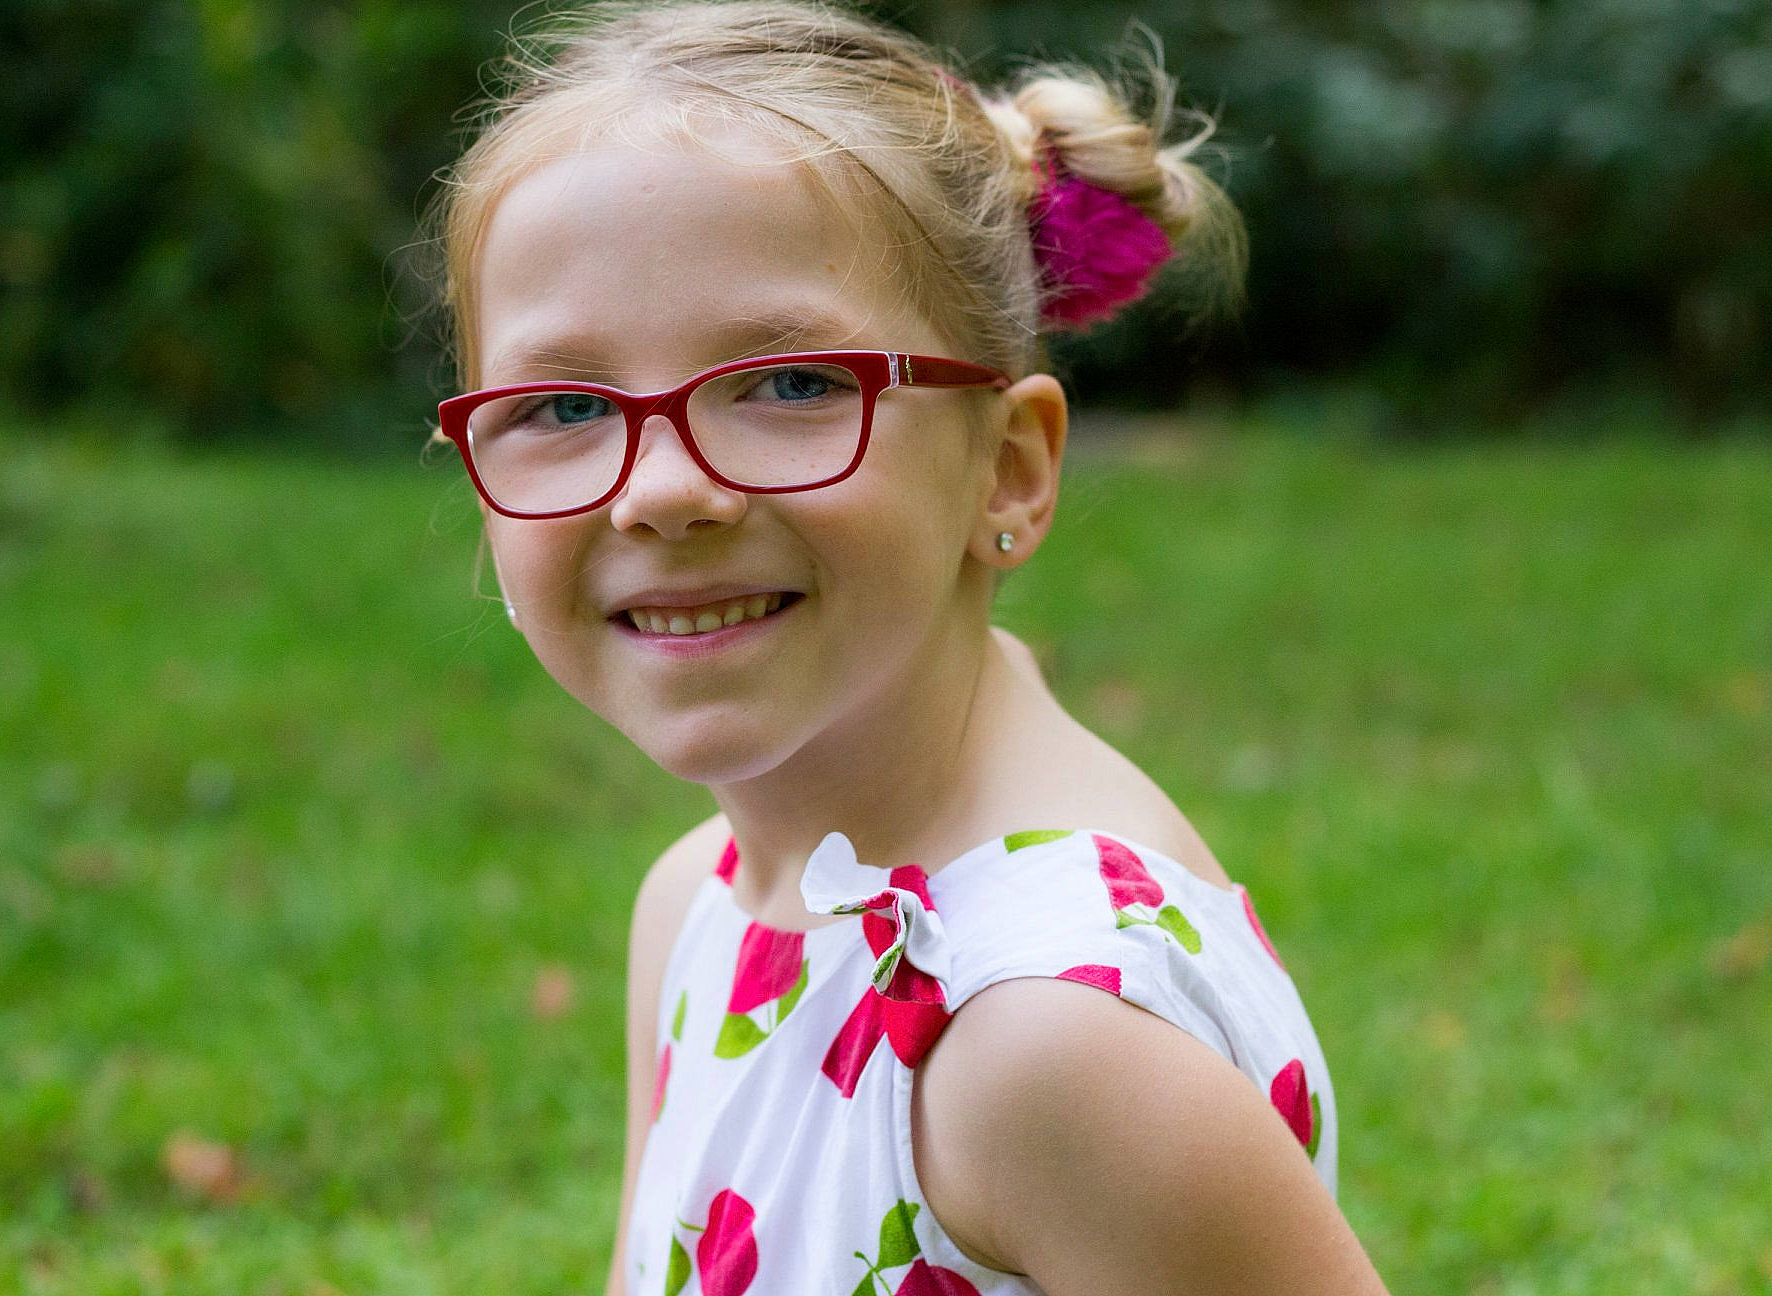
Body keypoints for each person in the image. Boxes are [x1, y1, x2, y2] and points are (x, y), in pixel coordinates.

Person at [430, 2, 1388, 1291]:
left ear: (1008, 468)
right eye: (560, 404)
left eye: (792, 384)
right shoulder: (706, 904)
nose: (659, 491)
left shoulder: (1041, 1040)